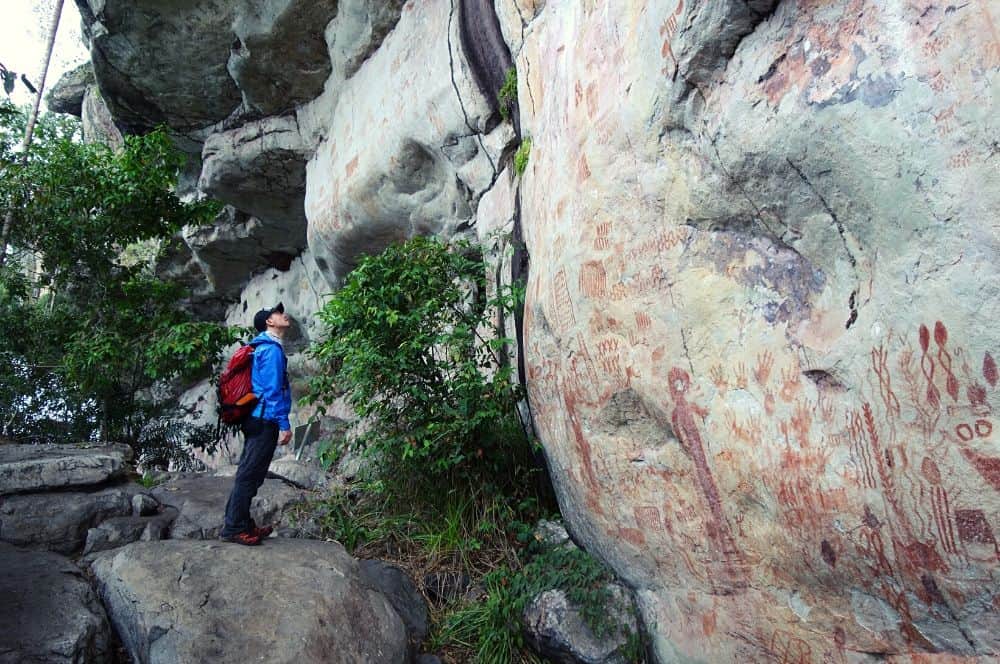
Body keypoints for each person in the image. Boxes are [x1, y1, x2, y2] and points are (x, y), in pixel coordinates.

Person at [220, 302, 293, 545]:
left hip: (257, 417)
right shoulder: (270, 350)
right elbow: (273, 390)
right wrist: (284, 423)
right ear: (269, 322)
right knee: (249, 475)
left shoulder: (263, 347)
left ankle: (241, 522)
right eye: (278, 313)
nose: (284, 315)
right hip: (264, 419)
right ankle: (234, 528)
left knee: (251, 473)